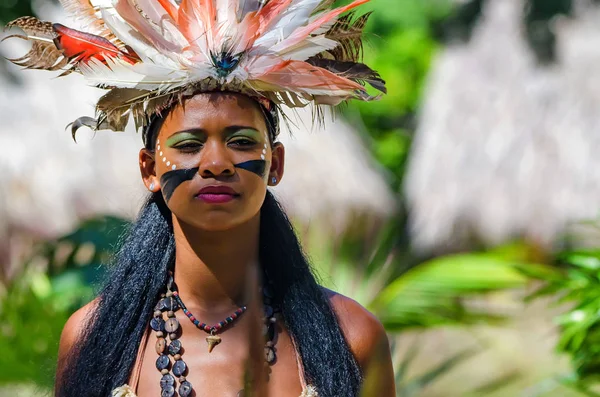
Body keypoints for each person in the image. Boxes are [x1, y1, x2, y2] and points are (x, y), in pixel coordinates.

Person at [5, 0, 393, 396]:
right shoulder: (94, 340)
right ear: (149, 170)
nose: (217, 163)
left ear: (275, 164)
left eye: (241, 142)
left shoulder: (353, 337)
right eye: (189, 145)